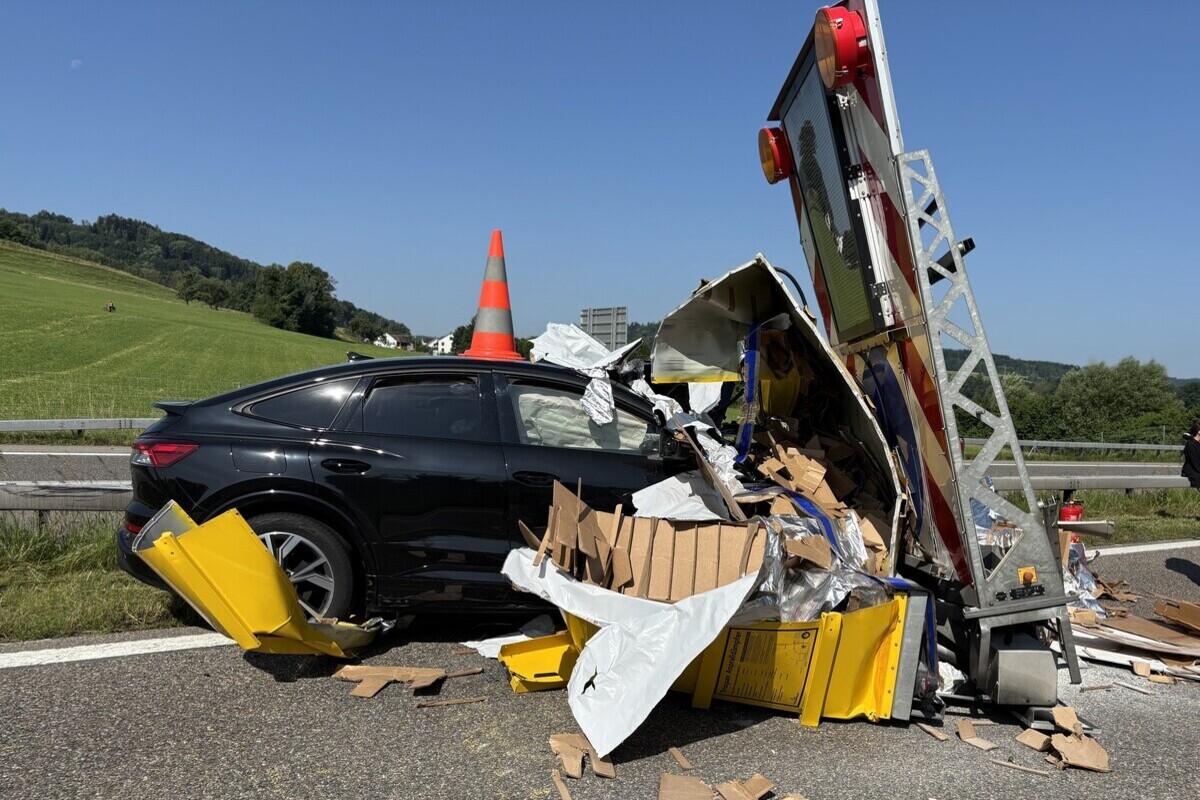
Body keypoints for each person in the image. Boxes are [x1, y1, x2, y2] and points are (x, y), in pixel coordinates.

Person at [1184, 422, 1200, 489]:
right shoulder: (1191, 444)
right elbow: (1194, 461)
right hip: (1193, 470)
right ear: (1198, 431)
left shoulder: (1197, 443)